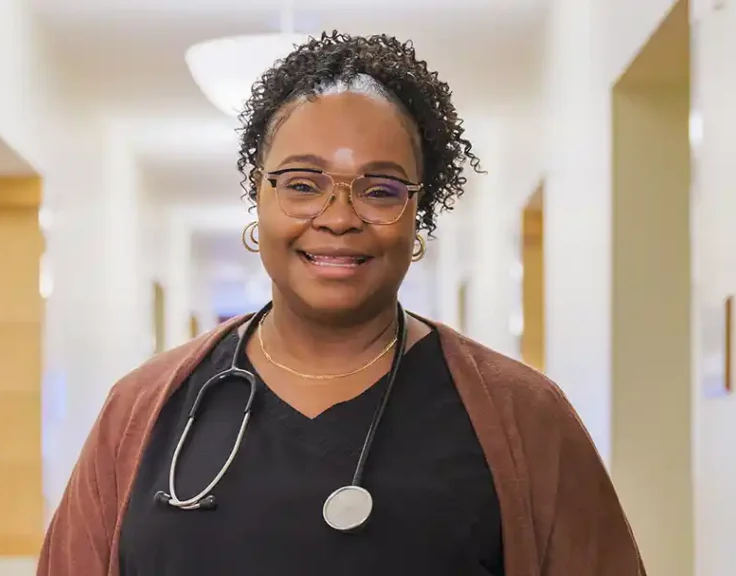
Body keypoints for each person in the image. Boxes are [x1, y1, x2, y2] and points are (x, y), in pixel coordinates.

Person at [37, 32, 645, 576]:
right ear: (259, 197)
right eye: (303, 184)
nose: (338, 218)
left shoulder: (524, 416)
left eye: (381, 190)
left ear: (418, 214)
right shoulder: (142, 411)